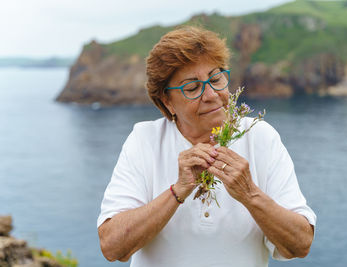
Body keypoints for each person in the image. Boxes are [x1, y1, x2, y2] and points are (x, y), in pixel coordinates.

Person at [97, 26, 316, 267]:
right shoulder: (145, 139)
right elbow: (112, 246)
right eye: (192, 88)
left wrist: (249, 194)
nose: (211, 94)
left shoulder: (261, 136)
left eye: (215, 79)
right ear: (166, 101)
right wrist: (179, 190)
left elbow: (300, 243)